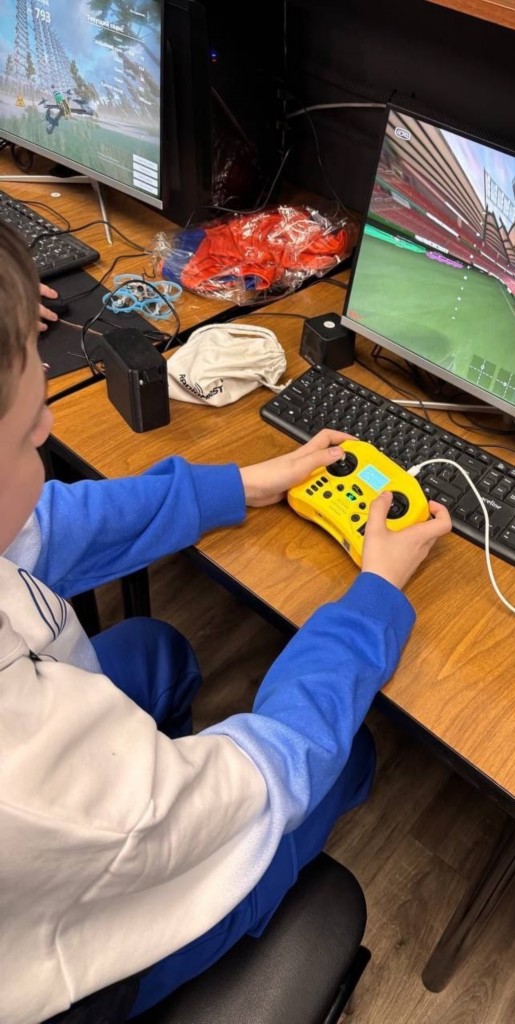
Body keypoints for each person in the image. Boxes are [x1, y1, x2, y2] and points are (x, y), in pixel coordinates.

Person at [0, 221, 452, 1023]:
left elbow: (44, 530)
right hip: (76, 973)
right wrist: (376, 595)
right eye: (32, 423)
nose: (49, 430)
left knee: (157, 650)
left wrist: (240, 485)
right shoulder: (38, 785)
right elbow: (260, 782)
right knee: (345, 756)